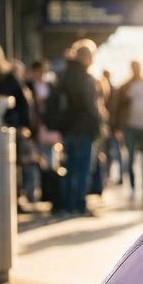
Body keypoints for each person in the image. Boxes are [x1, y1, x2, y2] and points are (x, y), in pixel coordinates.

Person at [58, 39, 101, 215]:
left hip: (67, 130)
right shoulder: (86, 78)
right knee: (83, 169)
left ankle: (67, 205)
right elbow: (91, 106)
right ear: (88, 58)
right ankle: (80, 205)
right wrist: (98, 125)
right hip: (84, 129)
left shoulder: (64, 75)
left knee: (70, 168)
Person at [112, 60, 143, 200]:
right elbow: (118, 108)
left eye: (138, 68)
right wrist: (117, 128)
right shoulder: (125, 87)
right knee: (129, 157)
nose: (136, 70)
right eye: (134, 68)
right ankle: (132, 186)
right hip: (129, 126)